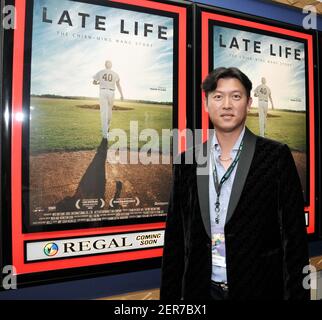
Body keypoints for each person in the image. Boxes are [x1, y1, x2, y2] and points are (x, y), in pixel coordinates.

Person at [160, 67, 309, 300]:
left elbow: (295, 241)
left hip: (259, 291)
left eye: (236, 96)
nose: (227, 104)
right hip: (201, 291)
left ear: (249, 103)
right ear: (206, 103)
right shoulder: (187, 161)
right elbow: (175, 241)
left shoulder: (276, 156)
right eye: (218, 96)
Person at [93, 60, 124, 139]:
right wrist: (121, 95)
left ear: (105, 65)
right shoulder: (115, 73)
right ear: (111, 66)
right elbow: (118, 85)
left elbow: (94, 82)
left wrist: (98, 83)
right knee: (109, 112)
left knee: (104, 113)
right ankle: (106, 132)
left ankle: (105, 132)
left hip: (103, 91)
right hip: (111, 92)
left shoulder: (100, 72)